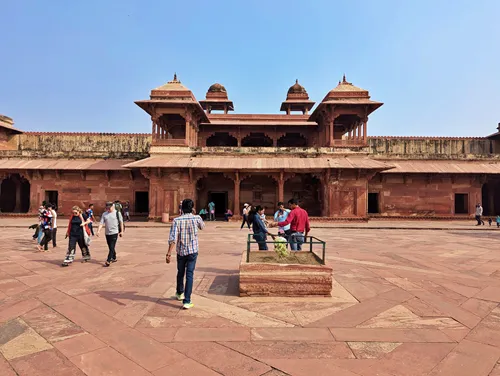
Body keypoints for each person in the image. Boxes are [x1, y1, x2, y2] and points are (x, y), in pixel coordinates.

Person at [166, 199, 205, 309]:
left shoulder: (176, 220)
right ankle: (187, 301)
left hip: (181, 251)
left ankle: (179, 293)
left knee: (180, 272)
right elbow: (202, 227)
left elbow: (173, 238)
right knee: (189, 274)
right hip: (193, 251)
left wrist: (168, 253)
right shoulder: (196, 218)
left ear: (182, 208)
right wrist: (195, 213)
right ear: (192, 208)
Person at [97, 201, 124, 267]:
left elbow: (121, 222)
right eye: (107, 208)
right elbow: (101, 223)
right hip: (107, 233)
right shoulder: (104, 214)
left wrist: (122, 231)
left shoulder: (117, 213)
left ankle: (108, 260)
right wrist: (98, 231)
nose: (108, 209)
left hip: (115, 232)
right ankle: (114, 257)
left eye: (109, 208)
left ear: (113, 206)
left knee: (112, 246)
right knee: (110, 246)